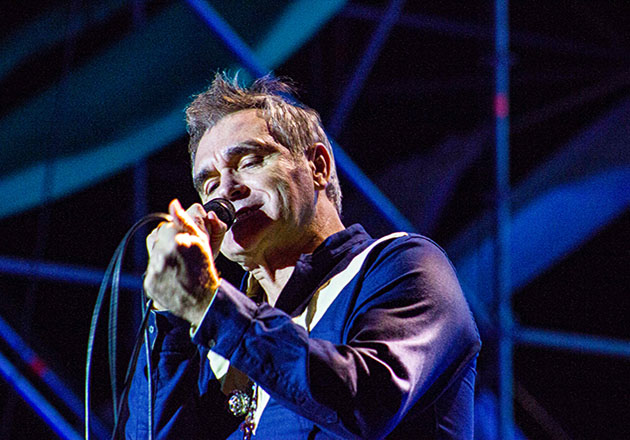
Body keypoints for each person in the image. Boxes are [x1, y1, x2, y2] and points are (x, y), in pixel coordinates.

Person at [124, 73, 481, 439]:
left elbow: (367, 402)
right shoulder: (211, 342)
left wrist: (209, 303)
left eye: (249, 161)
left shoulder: (402, 265)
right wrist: (170, 314)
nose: (226, 190)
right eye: (210, 184)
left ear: (318, 166)